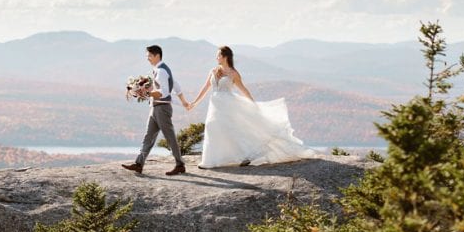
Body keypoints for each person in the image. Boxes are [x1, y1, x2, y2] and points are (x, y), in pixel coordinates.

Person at [186, 45, 318, 168]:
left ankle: (244, 156)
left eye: (218, 55)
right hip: (215, 105)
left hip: (228, 106)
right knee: (211, 127)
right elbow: (205, 88)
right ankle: (209, 160)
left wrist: (254, 104)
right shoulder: (213, 71)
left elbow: (243, 90)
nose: (216, 58)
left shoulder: (234, 73)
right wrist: (195, 103)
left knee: (230, 130)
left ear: (225, 57)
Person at [122, 45, 191, 176]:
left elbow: (164, 92)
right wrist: (184, 102)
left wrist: (146, 93)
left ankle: (180, 165)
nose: (147, 58)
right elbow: (175, 85)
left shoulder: (162, 71)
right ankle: (139, 164)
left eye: (149, 55)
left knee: (170, 138)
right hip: (155, 108)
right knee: (148, 137)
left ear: (156, 55)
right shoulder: (160, 69)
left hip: (162, 109)